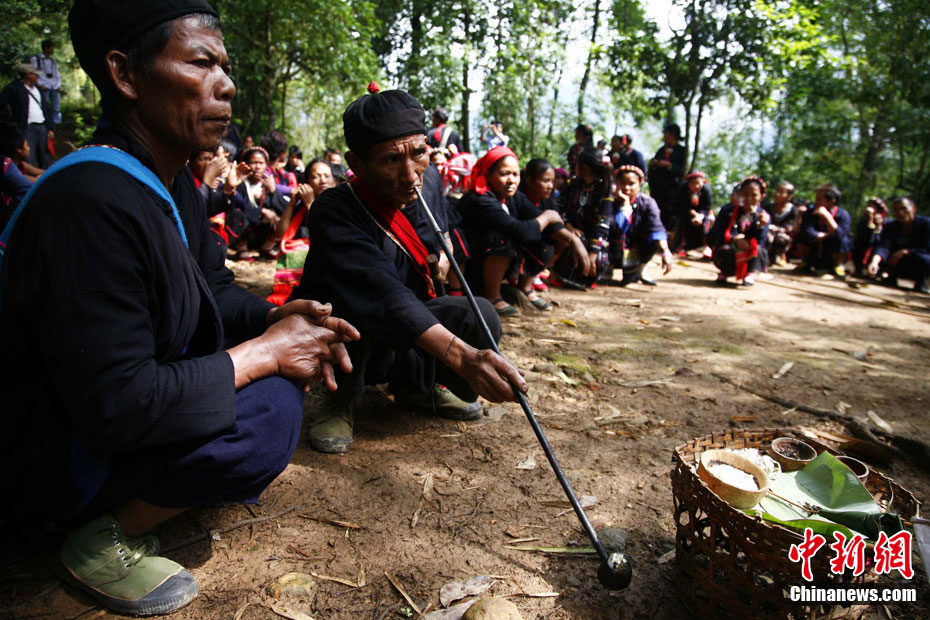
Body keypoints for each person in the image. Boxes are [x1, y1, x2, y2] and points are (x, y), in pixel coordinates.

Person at [0, 2, 361, 616]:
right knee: (269, 412)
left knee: (272, 397)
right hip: (55, 457)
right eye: (201, 62)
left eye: (225, 65)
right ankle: (98, 537)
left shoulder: (170, 184)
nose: (227, 83)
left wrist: (271, 321)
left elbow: (213, 287)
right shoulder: (89, 200)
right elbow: (117, 403)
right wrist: (262, 354)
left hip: (121, 416)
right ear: (125, 74)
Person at [291, 84, 527, 455]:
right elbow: (381, 291)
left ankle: (417, 388)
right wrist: (463, 356)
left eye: (419, 154)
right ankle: (341, 399)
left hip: (408, 320)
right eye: (389, 161)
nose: (410, 175)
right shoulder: (335, 210)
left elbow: (440, 235)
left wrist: (444, 253)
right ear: (356, 164)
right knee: (357, 306)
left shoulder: (427, 180)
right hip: (356, 322)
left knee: (479, 314)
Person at [460, 147, 588, 316]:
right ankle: (491, 296)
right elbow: (521, 230)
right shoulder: (481, 198)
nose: (511, 180)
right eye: (505, 174)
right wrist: (548, 217)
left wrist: (573, 240)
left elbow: (543, 221)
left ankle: (524, 287)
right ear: (489, 174)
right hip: (467, 266)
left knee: (546, 236)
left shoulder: (513, 197)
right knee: (502, 236)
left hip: (488, 261)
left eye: (515, 174)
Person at [553, 149, 614, 287]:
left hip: (592, 240)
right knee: (568, 241)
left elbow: (602, 225)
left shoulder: (604, 190)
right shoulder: (572, 185)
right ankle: (560, 274)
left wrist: (592, 255)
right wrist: (568, 226)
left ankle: (584, 278)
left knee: (597, 259)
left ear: (584, 167)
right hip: (569, 233)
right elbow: (557, 207)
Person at [610, 165, 673, 286]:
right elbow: (613, 229)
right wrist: (624, 206)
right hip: (614, 248)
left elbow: (656, 228)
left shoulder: (648, 203)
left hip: (636, 249)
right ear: (616, 183)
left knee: (653, 239)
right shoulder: (609, 201)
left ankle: (640, 269)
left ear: (639, 184)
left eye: (631, 183)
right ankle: (608, 267)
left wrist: (665, 251)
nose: (627, 188)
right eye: (622, 183)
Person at [709, 177, 770, 286]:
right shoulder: (728, 211)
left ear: (761, 196)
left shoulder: (763, 216)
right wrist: (734, 239)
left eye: (754, 195)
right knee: (724, 250)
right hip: (730, 246)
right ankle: (726, 271)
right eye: (746, 194)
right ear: (740, 194)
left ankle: (748, 273)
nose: (749, 198)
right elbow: (717, 231)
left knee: (758, 249)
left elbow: (761, 239)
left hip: (749, 247)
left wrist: (761, 226)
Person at [234, 145, 288, 261]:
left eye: (261, 163)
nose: (257, 167)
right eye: (253, 162)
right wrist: (261, 211)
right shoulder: (240, 183)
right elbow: (240, 205)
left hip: (261, 231)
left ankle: (266, 247)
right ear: (246, 164)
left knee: (281, 218)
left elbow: (283, 208)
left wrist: (273, 191)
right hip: (244, 229)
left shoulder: (268, 184)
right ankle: (241, 248)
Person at [867, 197, 930, 293]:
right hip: (895, 263)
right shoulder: (890, 226)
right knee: (877, 254)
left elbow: (927, 247)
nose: (900, 212)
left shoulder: (926, 224)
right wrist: (874, 263)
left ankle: (922, 282)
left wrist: (906, 252)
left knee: (925, 259)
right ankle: (889, 277)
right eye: (896, 209)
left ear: (913, 208)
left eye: (904, 208)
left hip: (918, 263)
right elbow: (883, 246)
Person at [0, 63, 54, 169]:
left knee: (44, 156)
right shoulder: (14, 88)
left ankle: (45, 178)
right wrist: (11, 121)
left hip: (42, 127)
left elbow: (46, 109)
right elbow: (1, 105)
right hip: (26, 128)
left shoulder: (38, 89)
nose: (37, 76)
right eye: (34, 74)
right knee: (29, 156)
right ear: (28, 75)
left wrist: (50, 128)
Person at [794, 183, 852, 278]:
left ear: (832, 202)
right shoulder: (810, 213)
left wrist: (827, 217)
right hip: (814, 249)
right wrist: (827, 235)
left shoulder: (843, 215)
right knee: (801, 237)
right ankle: (805, 263)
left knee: (845, 240)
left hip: (831, 252)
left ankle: (837, 266)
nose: (816, 203)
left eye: (819, 200)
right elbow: (807, 232)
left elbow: (840, 236)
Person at [647, 123, 686, 230]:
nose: (664, 136)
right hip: (658, 191)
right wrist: (654, 163)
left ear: (672, 134)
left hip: (673, 192)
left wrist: (669, 166)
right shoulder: (661, 150)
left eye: (666, 133)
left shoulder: (681, 151)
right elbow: (652, 167)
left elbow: (683, 170)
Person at [672, 170, 713, 254]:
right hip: (686, 212)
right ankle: (681, 244)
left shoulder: (706, 190)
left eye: (698, 183)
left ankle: (706, 246)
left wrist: (700, 216)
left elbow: (707, 207)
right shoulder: (683, 189)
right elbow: (680, 205)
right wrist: (693, 214)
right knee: (681, 219)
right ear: (688, 183)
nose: (696, 186)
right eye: (693, 183)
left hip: (703, 214)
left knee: (708, 220)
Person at [764, 181, 798, 267]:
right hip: (770, 233)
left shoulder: (793, 210)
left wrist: (776, 229)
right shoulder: (768, 207)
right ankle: (767, 258)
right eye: (777, 191)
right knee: (766, 235)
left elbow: (791, 227)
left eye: (781, 192)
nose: (777, 194)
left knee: (781, 238)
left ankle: (782, 256)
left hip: (784, 236)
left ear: (789, 196)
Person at [31, 39, 62, 127]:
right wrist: (40, 84)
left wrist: (58, 85)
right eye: (52, 48)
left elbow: (57, 74)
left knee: (55, 109)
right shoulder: (36, 59)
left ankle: (54, 127)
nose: (53, 50)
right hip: (44, 86)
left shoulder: (53, 61)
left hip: (54, 87)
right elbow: (33, 73)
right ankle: (44, 126)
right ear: (46, 48)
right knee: (43, 107)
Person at [851, 197, 887, 275]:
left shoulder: (886, 223)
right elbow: (863, 238)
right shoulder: (863, 221)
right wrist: (870, 223)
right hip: (862, 249)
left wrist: (878, 226)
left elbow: (879, 241)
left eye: (872, 206)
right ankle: (859, 268)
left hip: (876, 251)